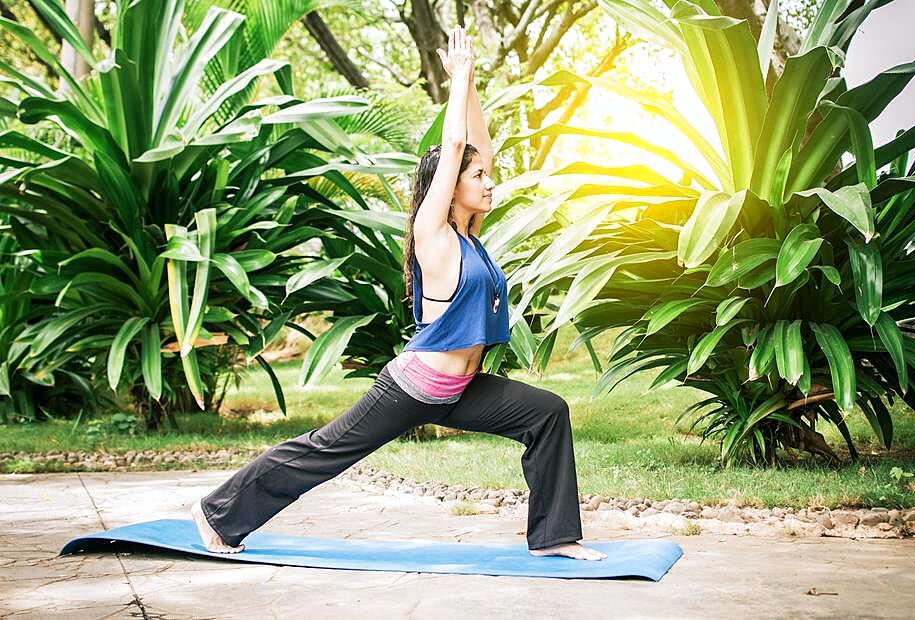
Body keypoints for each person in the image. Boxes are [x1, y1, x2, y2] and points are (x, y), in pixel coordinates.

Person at [190, 25, 606, 562]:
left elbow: (478, 144)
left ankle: (554, 538)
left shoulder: (471, 238)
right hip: (413, 386)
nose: (488, 181)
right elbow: (456, 145)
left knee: (547, 412)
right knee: (325, 452)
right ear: (450, 182)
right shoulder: (434, 236)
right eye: (476, 175)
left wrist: (472, 81)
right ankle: (218, 512)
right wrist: (456, 80)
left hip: (460, 389)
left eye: (485, 174)